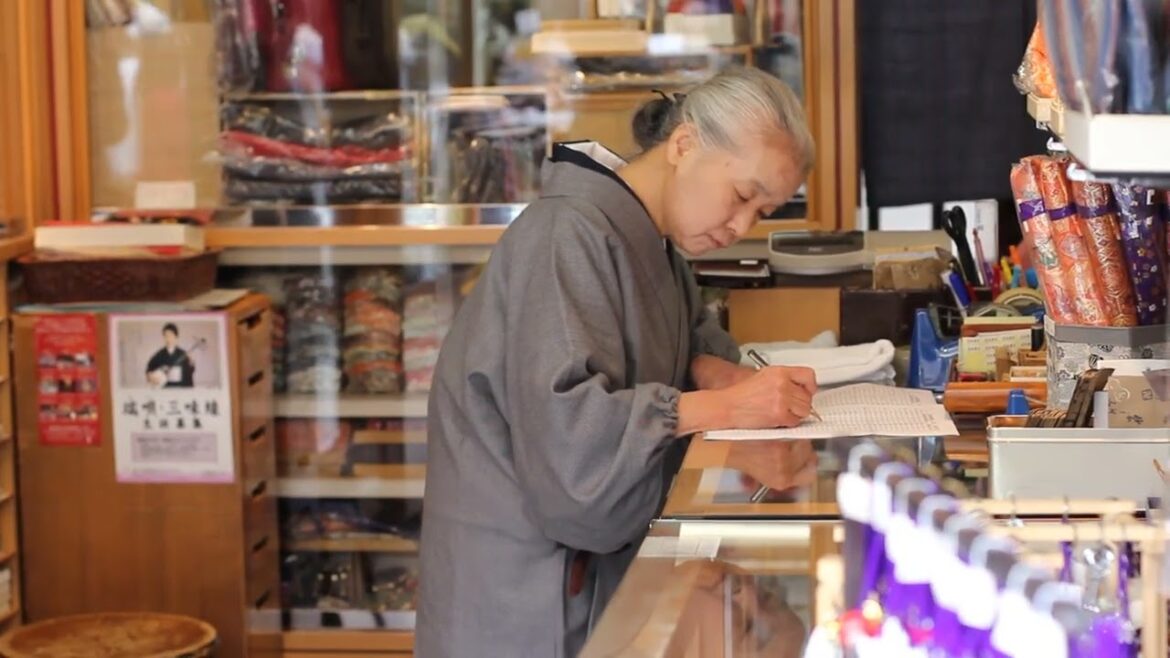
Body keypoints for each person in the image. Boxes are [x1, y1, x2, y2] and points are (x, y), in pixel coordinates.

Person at [417, 66, 819, 658]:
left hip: (580, 573)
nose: (740, 227)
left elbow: (692, 346)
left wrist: (714, 372)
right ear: (684, 144)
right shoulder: (564, 236)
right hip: (523, 595)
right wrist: (721, 402)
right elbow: (571, 446)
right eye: (741, 197)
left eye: (761, 212)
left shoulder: (654, 246)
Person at [145, 323, 195, 388]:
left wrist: (191, 363)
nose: (168, 339)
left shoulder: (183, 354)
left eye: (171, 335)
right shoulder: (159, 354)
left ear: (176, 337)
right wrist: (150, 377)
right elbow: (149, 369)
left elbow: (189, 372)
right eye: (166, 336)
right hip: (164, 390)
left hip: (180, 389)